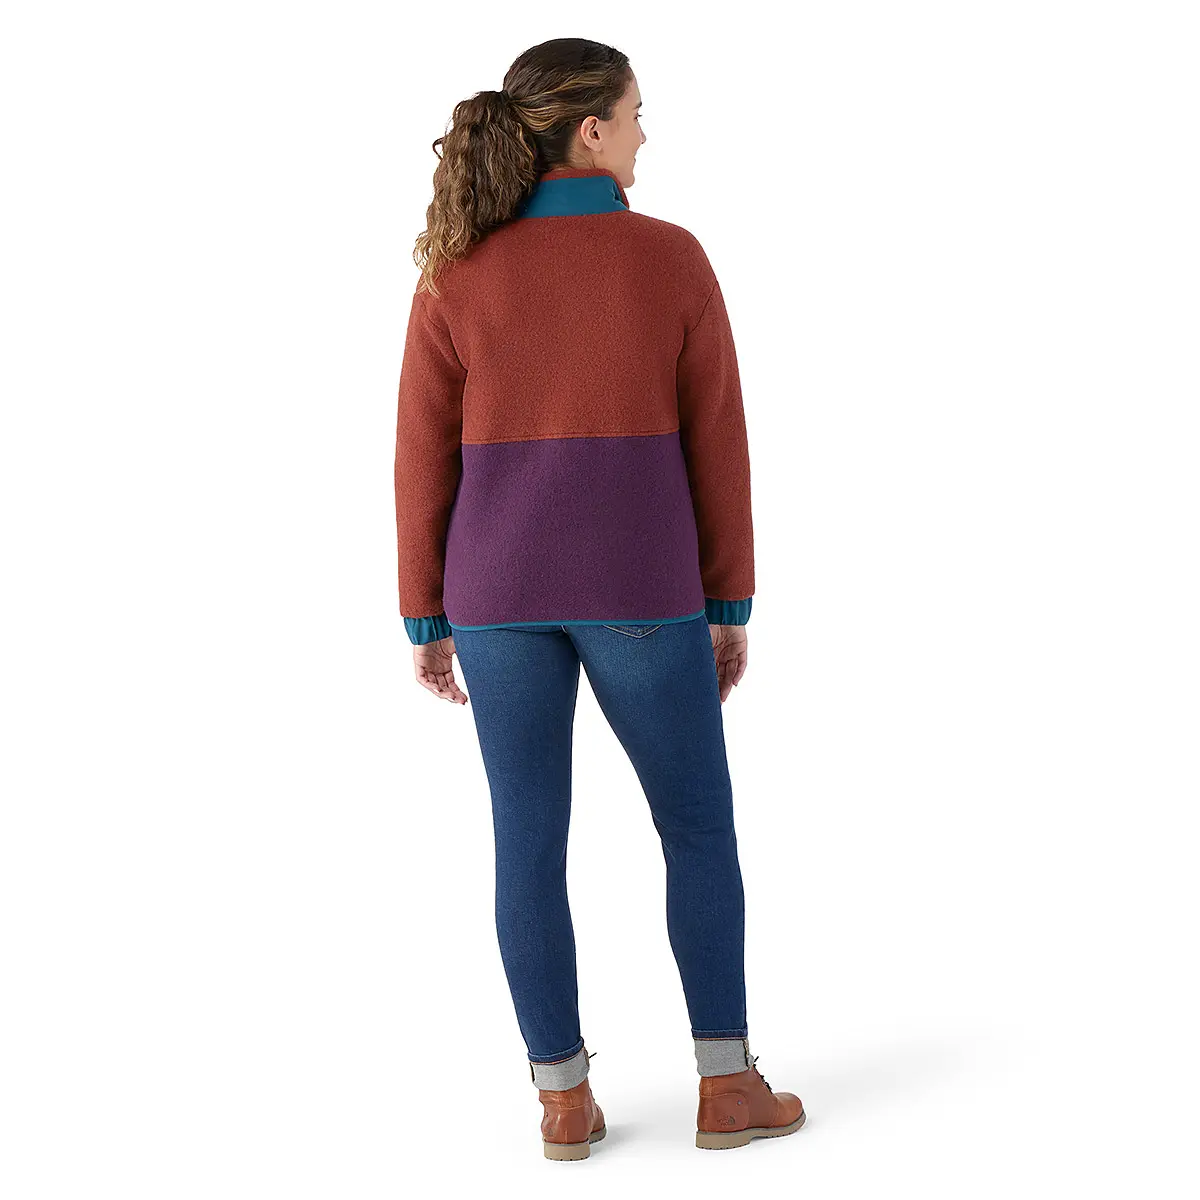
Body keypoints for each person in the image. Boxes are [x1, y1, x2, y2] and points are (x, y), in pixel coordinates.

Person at [393, 37, 804, 1159]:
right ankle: (727, 1087)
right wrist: (729, 602)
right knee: (697, 829)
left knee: (526, 844)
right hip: (640, 586)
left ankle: (563, 1104)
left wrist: (425, 615)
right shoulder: (670, 257)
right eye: (633, 115)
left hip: (494, 595)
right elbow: (718, 440)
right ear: (590, 130)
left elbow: (421, 455)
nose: (642, 135)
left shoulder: (455, 270)